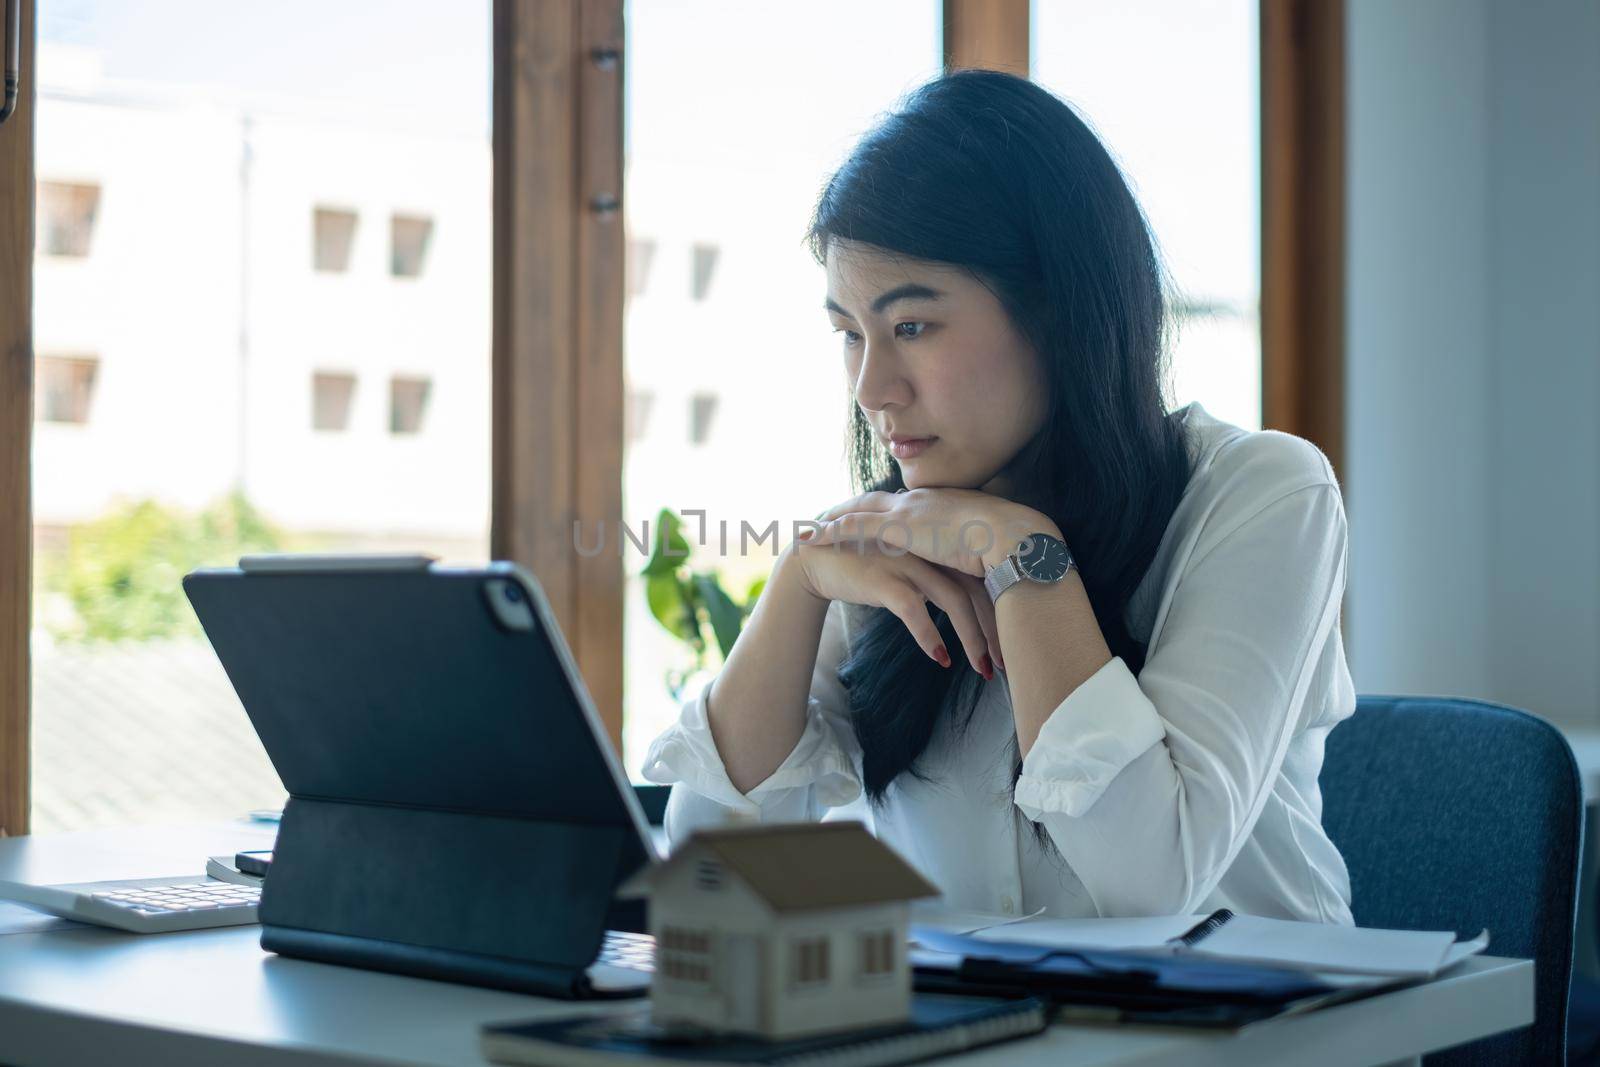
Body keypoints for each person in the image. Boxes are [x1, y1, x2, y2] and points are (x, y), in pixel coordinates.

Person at [642, 69, 1354, 925]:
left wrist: (1026, 559)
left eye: (911, 327)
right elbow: (716, 880)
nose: (872, 387)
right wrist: (799, 580)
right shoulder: (888, 545)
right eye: (848, 334)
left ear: (1057, 313)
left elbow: (1153, 878)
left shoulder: (1260, 494)